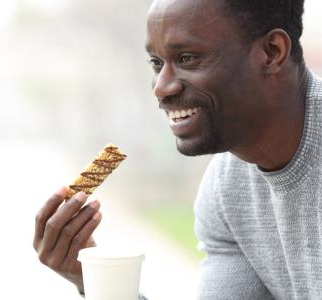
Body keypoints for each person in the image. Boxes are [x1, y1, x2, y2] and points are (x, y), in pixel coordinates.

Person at [34, 0, 322, 298]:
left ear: (271, 52)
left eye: (187, 58)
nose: (161, 87)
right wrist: (96, 283)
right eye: (157, 63)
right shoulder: (227, 188)